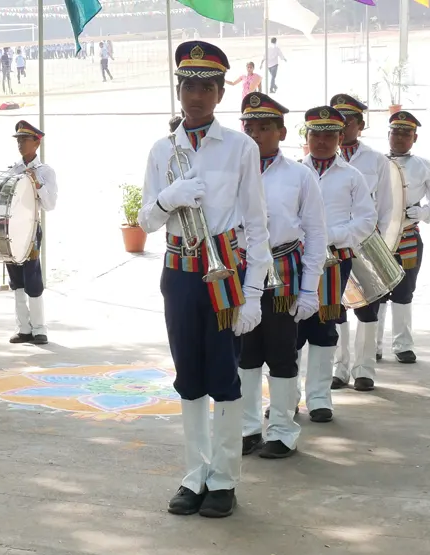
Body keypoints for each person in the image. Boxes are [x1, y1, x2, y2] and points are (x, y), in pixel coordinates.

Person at [139, 41, 270, 518]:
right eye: (188, 85)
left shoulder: (240, 146)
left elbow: (257, 223)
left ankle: (225, 479)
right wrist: (168, 197)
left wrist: (254, 290)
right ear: (179, 90)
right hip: (179, 274)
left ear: (219, 94)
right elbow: (147, 219)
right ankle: (194, 475)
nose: (196, 95)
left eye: (206, 87)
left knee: (225, 378)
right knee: (188, 377)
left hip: (225, 276)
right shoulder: (161, 149)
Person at [237, 93, 326, 459]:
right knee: (244, 353)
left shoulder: (300, 176)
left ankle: (283, 431)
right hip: (242, 267)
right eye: (249, 128)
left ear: (282, 131)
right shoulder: (233, 172)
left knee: (281, 351)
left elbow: (316, 234)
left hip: (283, 268)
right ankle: (246, 427)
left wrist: (309, 290)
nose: (256, 135)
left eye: (264, 128)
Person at [295, 106, 376, 424]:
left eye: (329, 135)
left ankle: (319, 399)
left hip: (333, 262)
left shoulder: (352, 176)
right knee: (291, 328)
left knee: (324, 328)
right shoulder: (294, 171)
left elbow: (367, 220)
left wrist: (332, 235)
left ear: (341, 138)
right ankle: (289, 399)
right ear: (307, 136)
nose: (322, 141)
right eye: (316, 134)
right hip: (296, 260)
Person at [328, 94, 393, 392]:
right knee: (336, 308)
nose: (342, 127)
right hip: (333, 245)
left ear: (360, 124)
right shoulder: (323, 157)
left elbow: (387, 207)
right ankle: (340, 368)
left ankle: (364, 370)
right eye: (337, 120)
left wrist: (377, 242)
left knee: (368, 308)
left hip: (366, 243)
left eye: (348, 120)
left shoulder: (376, 160)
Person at [377, 112, 430, 364]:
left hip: (407, 236)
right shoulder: (375, 162)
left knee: (404, 291)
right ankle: (373, 346)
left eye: (405, 133)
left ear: (414, 138)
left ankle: (403, 345)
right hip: (376, 238)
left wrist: (424, 212)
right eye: (395, 132)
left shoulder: (424, 166)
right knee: (376, 291)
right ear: (388, 134)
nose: (399, 137)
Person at [5, 121, 58, 345]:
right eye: (18, 140)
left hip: (30, 230)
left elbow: (50, 204)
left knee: (33, 278)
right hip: (12, 230)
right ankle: (23, 328)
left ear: (37, 143)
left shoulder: (45, 171)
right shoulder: (13, 169)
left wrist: (37, 185)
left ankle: (39, 328)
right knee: (16, 280)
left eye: (24, 140)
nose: (20, 144)